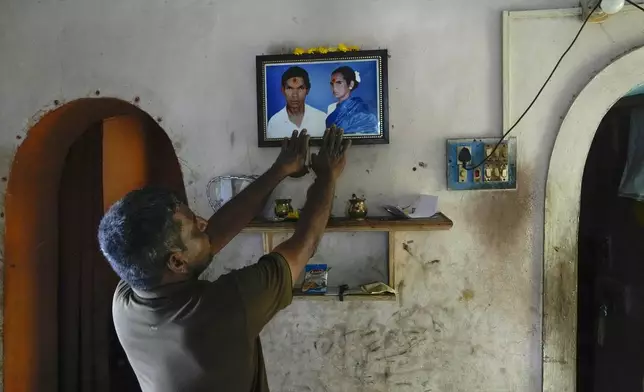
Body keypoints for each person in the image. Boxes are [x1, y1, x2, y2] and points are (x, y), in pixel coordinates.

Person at [99, 128, 350, 392]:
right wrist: (327, 176)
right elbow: (304, 243)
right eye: (195, 227)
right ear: (177, 262)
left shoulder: (129, 292)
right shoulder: (225, 308)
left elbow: (213, 235)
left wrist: (280, 169)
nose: (204, 222)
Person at [267, 66, 327, 138]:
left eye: (300, 88)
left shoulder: (322, 119)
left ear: (307, 90)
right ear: (283, 90)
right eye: (289, 88)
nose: (295, 95)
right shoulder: (274, 123)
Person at [326, 66, 379, 135]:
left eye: (339, 83)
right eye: (332, 84)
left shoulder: (360, 110)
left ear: (351, 84)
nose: (334, 88)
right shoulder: (331, 108)